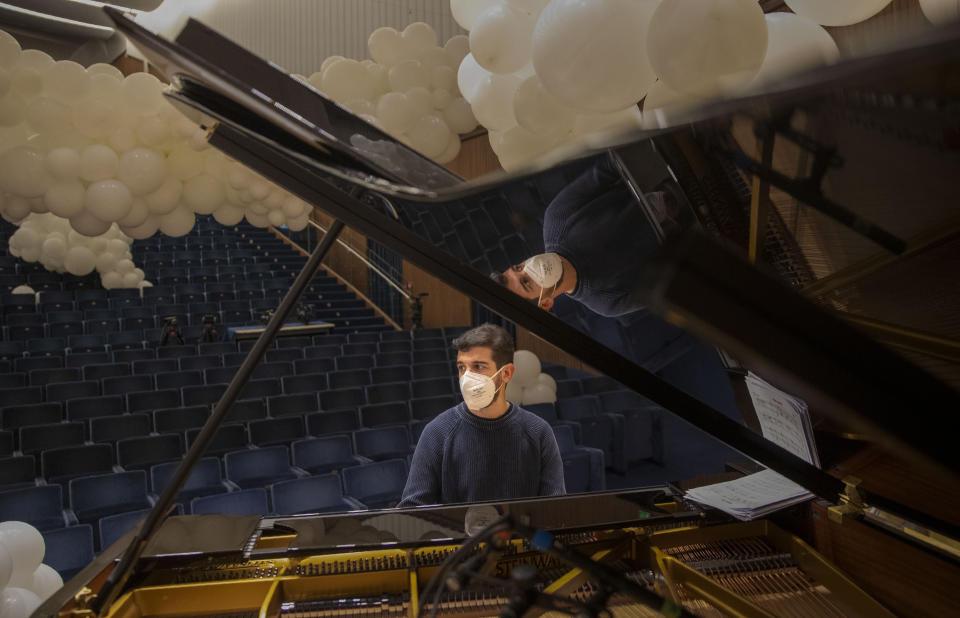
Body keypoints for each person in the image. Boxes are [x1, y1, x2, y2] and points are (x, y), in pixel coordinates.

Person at [398, 324, 566, 506]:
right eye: (462, 368)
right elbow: (412, 513)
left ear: (507, 373)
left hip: (523, 535)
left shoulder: (538, 432)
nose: (467, 378)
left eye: (478, 367)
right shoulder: (437, 432)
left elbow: (555, 511)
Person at [491, 156, 674, 318]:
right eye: (526, 282)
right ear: (545, 303)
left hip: (670, 179)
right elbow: (674, 285)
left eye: (519, 267)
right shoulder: (607, 303)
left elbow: (612, 164)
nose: (529, 267)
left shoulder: (557, 217)